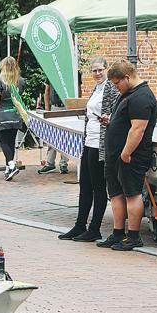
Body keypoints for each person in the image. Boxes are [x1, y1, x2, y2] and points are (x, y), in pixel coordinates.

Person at [96, 59, 157, 251]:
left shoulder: (142, 97)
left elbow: (138, 129)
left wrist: (126, 153)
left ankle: (133, 235)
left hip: (130, 156)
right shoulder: (128, 94)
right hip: (116, 155)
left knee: (132, 193)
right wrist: (111, 121)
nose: (116, 87)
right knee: (115, 193)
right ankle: (118, 232)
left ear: (127, 77)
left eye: (117, 83)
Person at [60, 57, 120, 241]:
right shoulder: (96, 88)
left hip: (100, 144)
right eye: (94, 71)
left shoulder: (110, 88)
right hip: (89, 141)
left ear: (106, 69)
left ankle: (95, 228)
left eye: (100, 70)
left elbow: (117, 111)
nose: (97, 73)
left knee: (98, 187)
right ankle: (80, 225)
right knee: (85, 185)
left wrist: (108, 118)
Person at [0, 57, 26, 181]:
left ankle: (11, 165)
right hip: (16, 115)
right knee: (11, 142)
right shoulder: (21, 81)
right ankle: (8, 169)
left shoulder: (0, 81)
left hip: (2, 115)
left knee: (4, 142)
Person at [37, 85, 69, 174]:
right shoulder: (52, 71)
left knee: (66, 136)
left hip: (67, 106)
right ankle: (50, 163)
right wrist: (47, 109)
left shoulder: (73, 73)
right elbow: (47, 91)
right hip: (54, 107)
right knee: (52, 136)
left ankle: (63, 163)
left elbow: (77, 90)